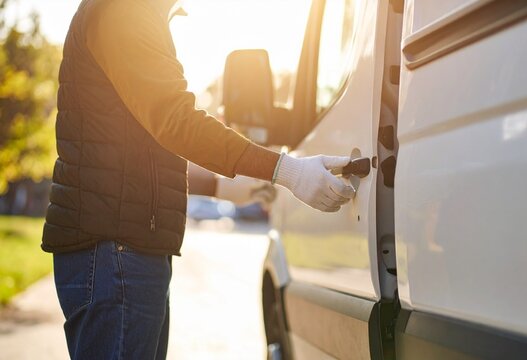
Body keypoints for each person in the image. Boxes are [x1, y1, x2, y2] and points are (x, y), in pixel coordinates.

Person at [41, 0, 356, 358]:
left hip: (125, 252)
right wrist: (287, 170)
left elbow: (140, 151)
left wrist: (223, 186)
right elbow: (175, 120)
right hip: (116, 255)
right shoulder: (126, 10)